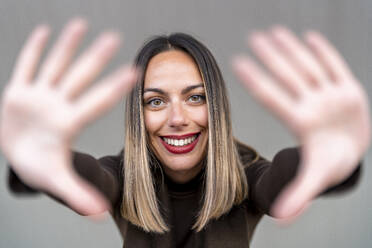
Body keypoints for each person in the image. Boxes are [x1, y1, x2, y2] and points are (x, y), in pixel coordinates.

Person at [1, 18, 370, 247]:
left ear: (217, 107)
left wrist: (330, 158)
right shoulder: (125, 173)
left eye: (195, 97)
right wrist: (42, 162)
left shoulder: (245, 172)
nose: (177, 118)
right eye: (155, 102)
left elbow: (279, 180)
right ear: (137, 115)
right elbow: (92, 180)